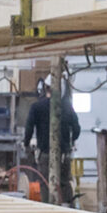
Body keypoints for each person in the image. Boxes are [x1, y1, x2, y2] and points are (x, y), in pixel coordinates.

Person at [20, 74, 81, 203]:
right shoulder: (67, 107)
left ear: (45, 88)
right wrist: (70, 143)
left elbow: (29, 128)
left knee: (45, 183)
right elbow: (76, 129)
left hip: (45, 154)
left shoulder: (37, 107)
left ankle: (48, 209)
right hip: (63, 155)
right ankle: (67, 209)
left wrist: (26, 144)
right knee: (64, 184)